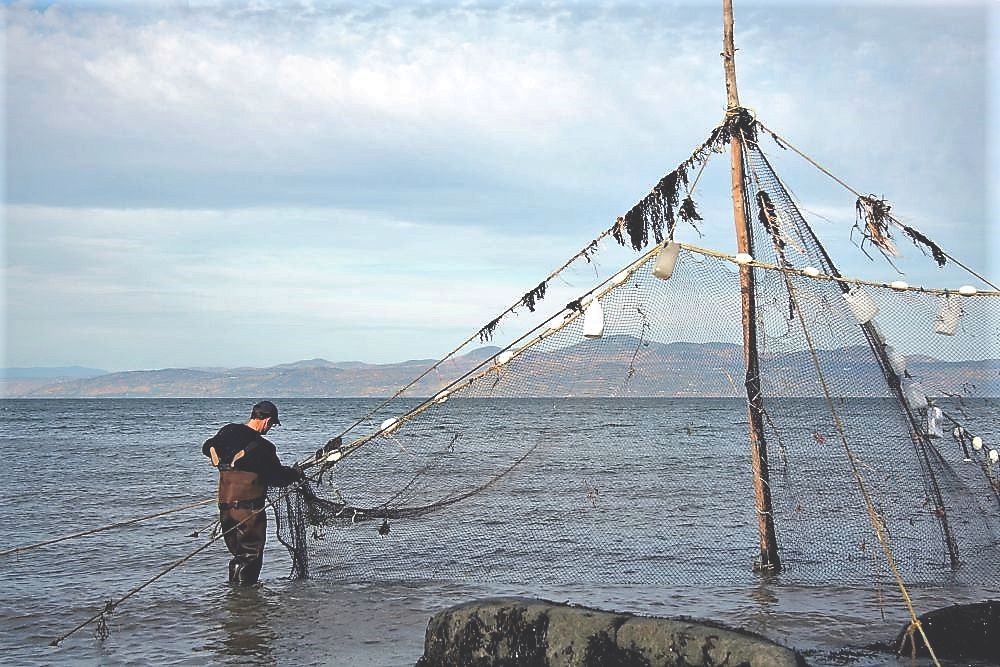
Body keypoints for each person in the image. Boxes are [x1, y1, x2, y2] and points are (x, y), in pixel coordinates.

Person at [202, 400, 302, 586]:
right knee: (250, 555)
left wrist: (215, 454)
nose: (270, 428)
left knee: (239, 554)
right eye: (272, 425)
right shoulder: (264, 447)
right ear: (267, 420)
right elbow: (277, 477)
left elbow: (207, 445)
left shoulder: (228, 430)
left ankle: (234, 595)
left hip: (225, 508)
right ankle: (245, 600)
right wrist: (295, 474)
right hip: (248, 512)